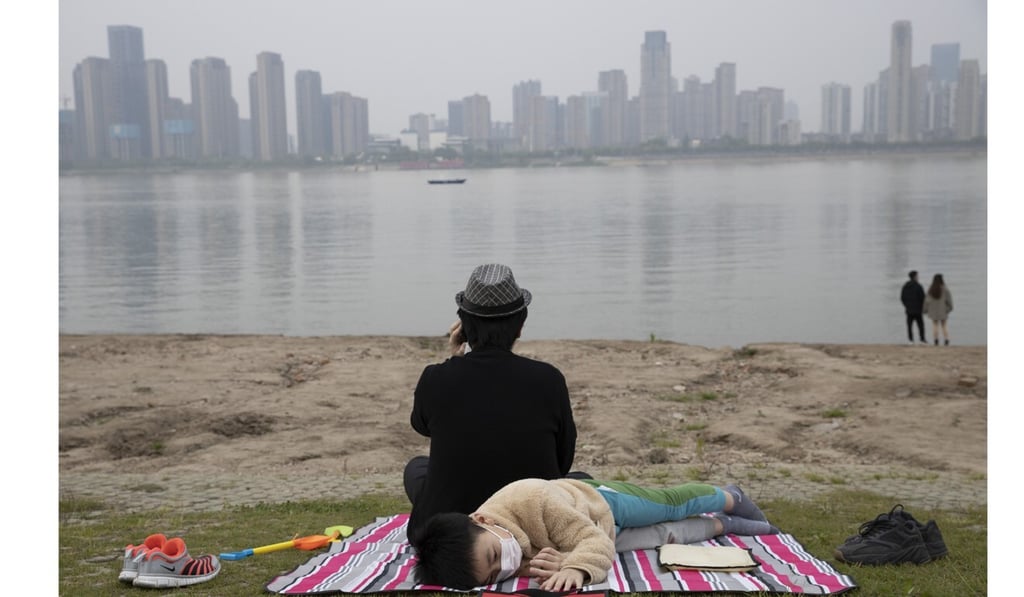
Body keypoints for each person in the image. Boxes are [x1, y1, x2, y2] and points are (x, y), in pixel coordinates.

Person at [403, 264, 587, 537]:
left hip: (449, 524)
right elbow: (562, 463)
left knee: (417, 468)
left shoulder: (436, 377)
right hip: (531, 521)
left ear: (464, 326)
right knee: (582, 482)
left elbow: (423, 425)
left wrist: (455, 360)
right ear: (520, 326)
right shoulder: (548, 379)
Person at [410, 477, 778, 591]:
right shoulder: (504, 554)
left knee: (668, 506)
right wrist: (562, 561)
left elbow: (592, 543)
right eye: (492, 575)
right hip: (596, 536)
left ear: (480, 520)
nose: (505, 567)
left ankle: (729, 497)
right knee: (666, 536)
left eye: (494, 556)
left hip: (600, 505)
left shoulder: (533, 499)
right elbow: (578, 551)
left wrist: (577, 568)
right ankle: (725, 525)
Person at [923, 273, 953, 346]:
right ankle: (946, 340)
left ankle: (936, 340)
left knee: (935, 325)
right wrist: (948, 310)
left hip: (933, 311)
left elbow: (927, 301)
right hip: (943, 311)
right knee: (944, 326)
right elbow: (950, 302)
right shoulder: (945, 289)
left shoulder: (930, 289)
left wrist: (925, 310)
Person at [900, 270, 927, 344]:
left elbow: (902, 297)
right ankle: (922, 339)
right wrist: (922, 306)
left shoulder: (905, 286)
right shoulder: (918, 286)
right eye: (917, 276)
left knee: (909, 325)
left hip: (909, 309)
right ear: (915, 277)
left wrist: (906, 305)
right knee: (920, 325)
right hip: (918, 309)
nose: (918, 277)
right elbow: (923, 298)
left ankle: (910, 339)